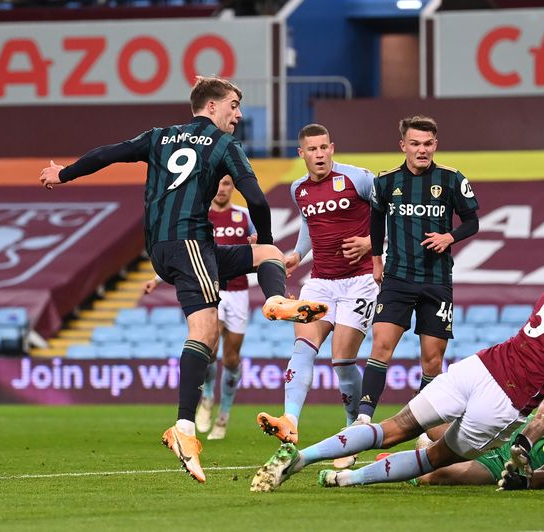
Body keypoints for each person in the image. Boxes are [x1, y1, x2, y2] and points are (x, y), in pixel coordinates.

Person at [248, 231, 544, 493]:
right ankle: (348, 480)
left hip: (480, 365)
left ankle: (304, 456)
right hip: (507, 400)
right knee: (432, 458)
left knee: (395, 424)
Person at [39, 76, 327, 484]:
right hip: (187, 241)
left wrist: (64, 173)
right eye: (233, 104)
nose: (239, 114)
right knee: (207, 328)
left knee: (269, 256)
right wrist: (260, 232)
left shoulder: (158, 136)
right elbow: (258, 200)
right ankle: (185, 428)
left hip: (169, 246)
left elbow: (110, 153)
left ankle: (277, 300)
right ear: (211, 107)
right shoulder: (225, 146)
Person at [255, 124, 378, 469]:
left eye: (324, 147)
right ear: (302, 154)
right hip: (321, 280)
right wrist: (297, 254)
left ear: (332, 148)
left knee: (342, 359)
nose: (320, 154)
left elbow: (387, 213)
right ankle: (290, 421)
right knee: (302, 346)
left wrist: (371, 243)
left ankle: (355, 430)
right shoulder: (299, 190)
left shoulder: (359, 179)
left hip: (360, 280)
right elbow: (311, 224)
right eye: (313, 149)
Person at [357, 115, 480, 425]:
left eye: (427, 144)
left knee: (432, 361)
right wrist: (376, 259)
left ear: (435, 145)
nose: (422, 150)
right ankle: (362, 418)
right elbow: (375, 222)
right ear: (403, 146)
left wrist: (450, 236)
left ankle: (424, 428)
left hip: (437, 281)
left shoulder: (452, 179)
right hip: (397, 277)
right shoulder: (385, 182)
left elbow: (472, 221)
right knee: (381, 346)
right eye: (415, 144)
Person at [142, 175, 256, 440]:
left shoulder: (243, 216)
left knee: (231, 358)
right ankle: (207, 396)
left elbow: (258, 245)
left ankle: (224, 415)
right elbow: (185, 251)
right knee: (209, 348)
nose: (221, 189)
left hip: (239, 292)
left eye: (227, 184)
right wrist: (156, 279)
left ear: (232, 188)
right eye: (217, 183)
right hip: (210, 286)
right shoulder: (200, 217)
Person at [410, 385, 544, 490]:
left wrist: (522, 481)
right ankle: (431, 446)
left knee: (434, 475)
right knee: (431, 423)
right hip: (500, 434)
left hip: (499, 465)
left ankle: (400, 462)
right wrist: (522, 445)